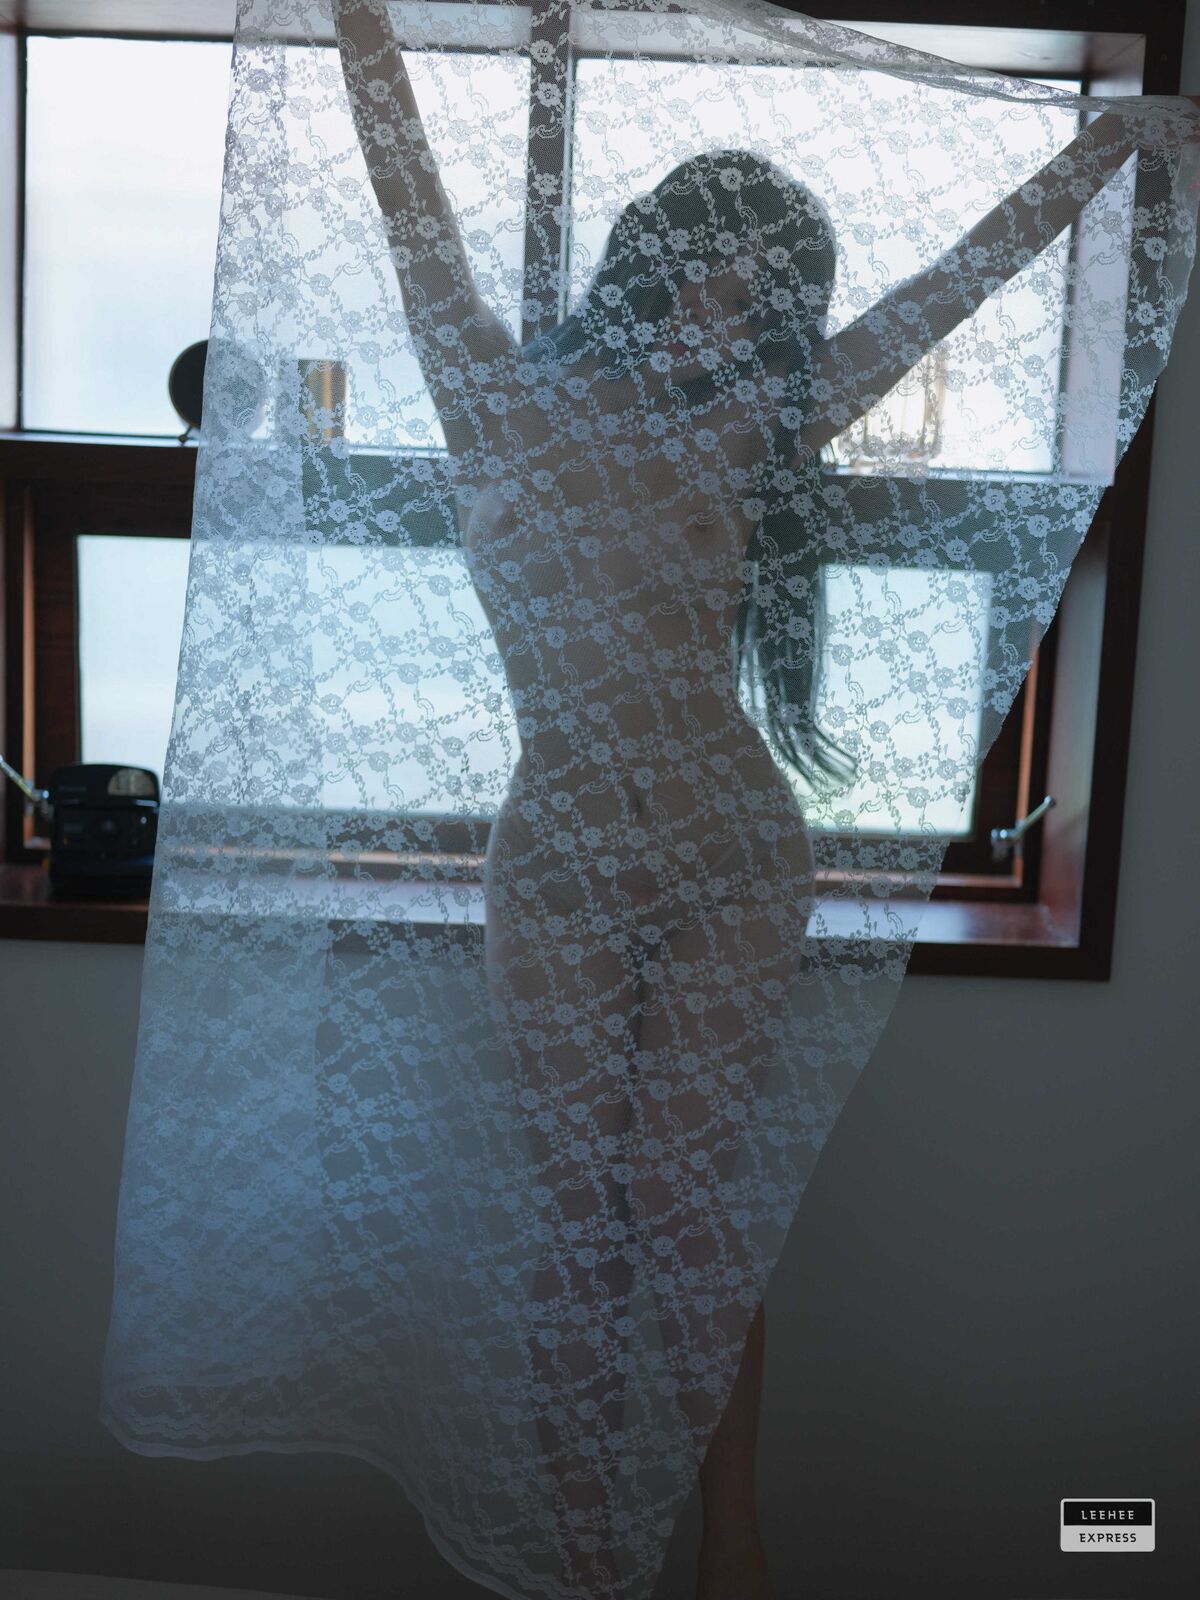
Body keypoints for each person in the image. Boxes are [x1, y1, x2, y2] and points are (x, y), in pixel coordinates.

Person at [333, 4, 1195, 1594]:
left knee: (681, 1208)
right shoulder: (490, 388)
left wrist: (1105, 152)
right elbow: (408, 196)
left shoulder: (759, 420)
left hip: (730, 854)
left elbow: (948, 288)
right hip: (561, 860)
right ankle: (586, 1558)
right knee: (579, 1232)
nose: (714, 328)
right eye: (694, 286)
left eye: (755, 308)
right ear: (636, 270)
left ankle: (735, 1545)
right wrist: (354, 15)